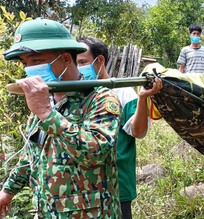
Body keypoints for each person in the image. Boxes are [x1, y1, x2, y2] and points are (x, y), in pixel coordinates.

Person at [0, 18, 121, 218]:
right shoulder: (45, 99)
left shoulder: (100, 98)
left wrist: (48, 115)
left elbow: (96, 153)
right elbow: (32, 152)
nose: (29, 70)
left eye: (36, 61)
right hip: (48, 212)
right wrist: (8, 191)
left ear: (65, 58)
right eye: (25, 63)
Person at [76, 37, 162, 219]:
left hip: (117, 183)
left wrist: (142, 99)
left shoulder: (123, 92)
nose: (79, 69)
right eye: (76, 64)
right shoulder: (77, 95)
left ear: (99, 61)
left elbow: (138, 132)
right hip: (84, 186)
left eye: (82, 62)